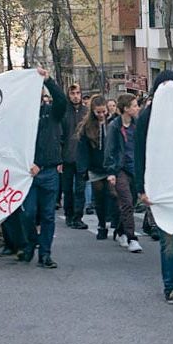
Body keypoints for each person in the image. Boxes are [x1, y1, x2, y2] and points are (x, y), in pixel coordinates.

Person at [135, 70, 173, 304]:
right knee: (168, 238)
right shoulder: (148, 117)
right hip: (160, 186)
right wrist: (141, 188)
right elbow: (140, 153)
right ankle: (171, 287)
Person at [20, 68, 67, 268]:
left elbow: (61, 101)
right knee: (28, 213)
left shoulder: (51, 113)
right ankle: (31, 242)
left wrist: (49, 80)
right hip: (28, 174)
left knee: (48, 215)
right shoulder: (21, 117)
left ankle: (45, 253)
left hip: (48, 171)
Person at [105, 94, 142, 253]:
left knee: (131, 202)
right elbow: (109, 149)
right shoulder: (114, 126)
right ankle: (132, 237)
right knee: (126, 201)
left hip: (135, 168)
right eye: (134, 105)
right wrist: (111, 171)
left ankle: (120, 230)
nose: (137, 108)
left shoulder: (137, 125)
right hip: (120, 168)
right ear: (126, 109)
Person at [76, 95, 112, 240]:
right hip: (95, 167)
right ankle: (101, 224)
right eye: (98, 112)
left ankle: (116, 223)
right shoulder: (87, 127)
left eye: (104, 112)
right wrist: (82, 169)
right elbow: (83, 150)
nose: (102, 115)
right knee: (99, 197)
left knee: (114, 194)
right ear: (93, 111)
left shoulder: (113, 123)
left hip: (111, 166)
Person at [61, 83, 89, 230]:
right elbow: (59, 135)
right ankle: (69, 215)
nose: (75, 96)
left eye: (78, 93)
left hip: (82, 157)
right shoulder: (64, 111)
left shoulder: (86, 112)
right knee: (67, 189)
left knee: (80, 189)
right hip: (66, 157)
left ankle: (78, 217)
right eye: (73, 93)